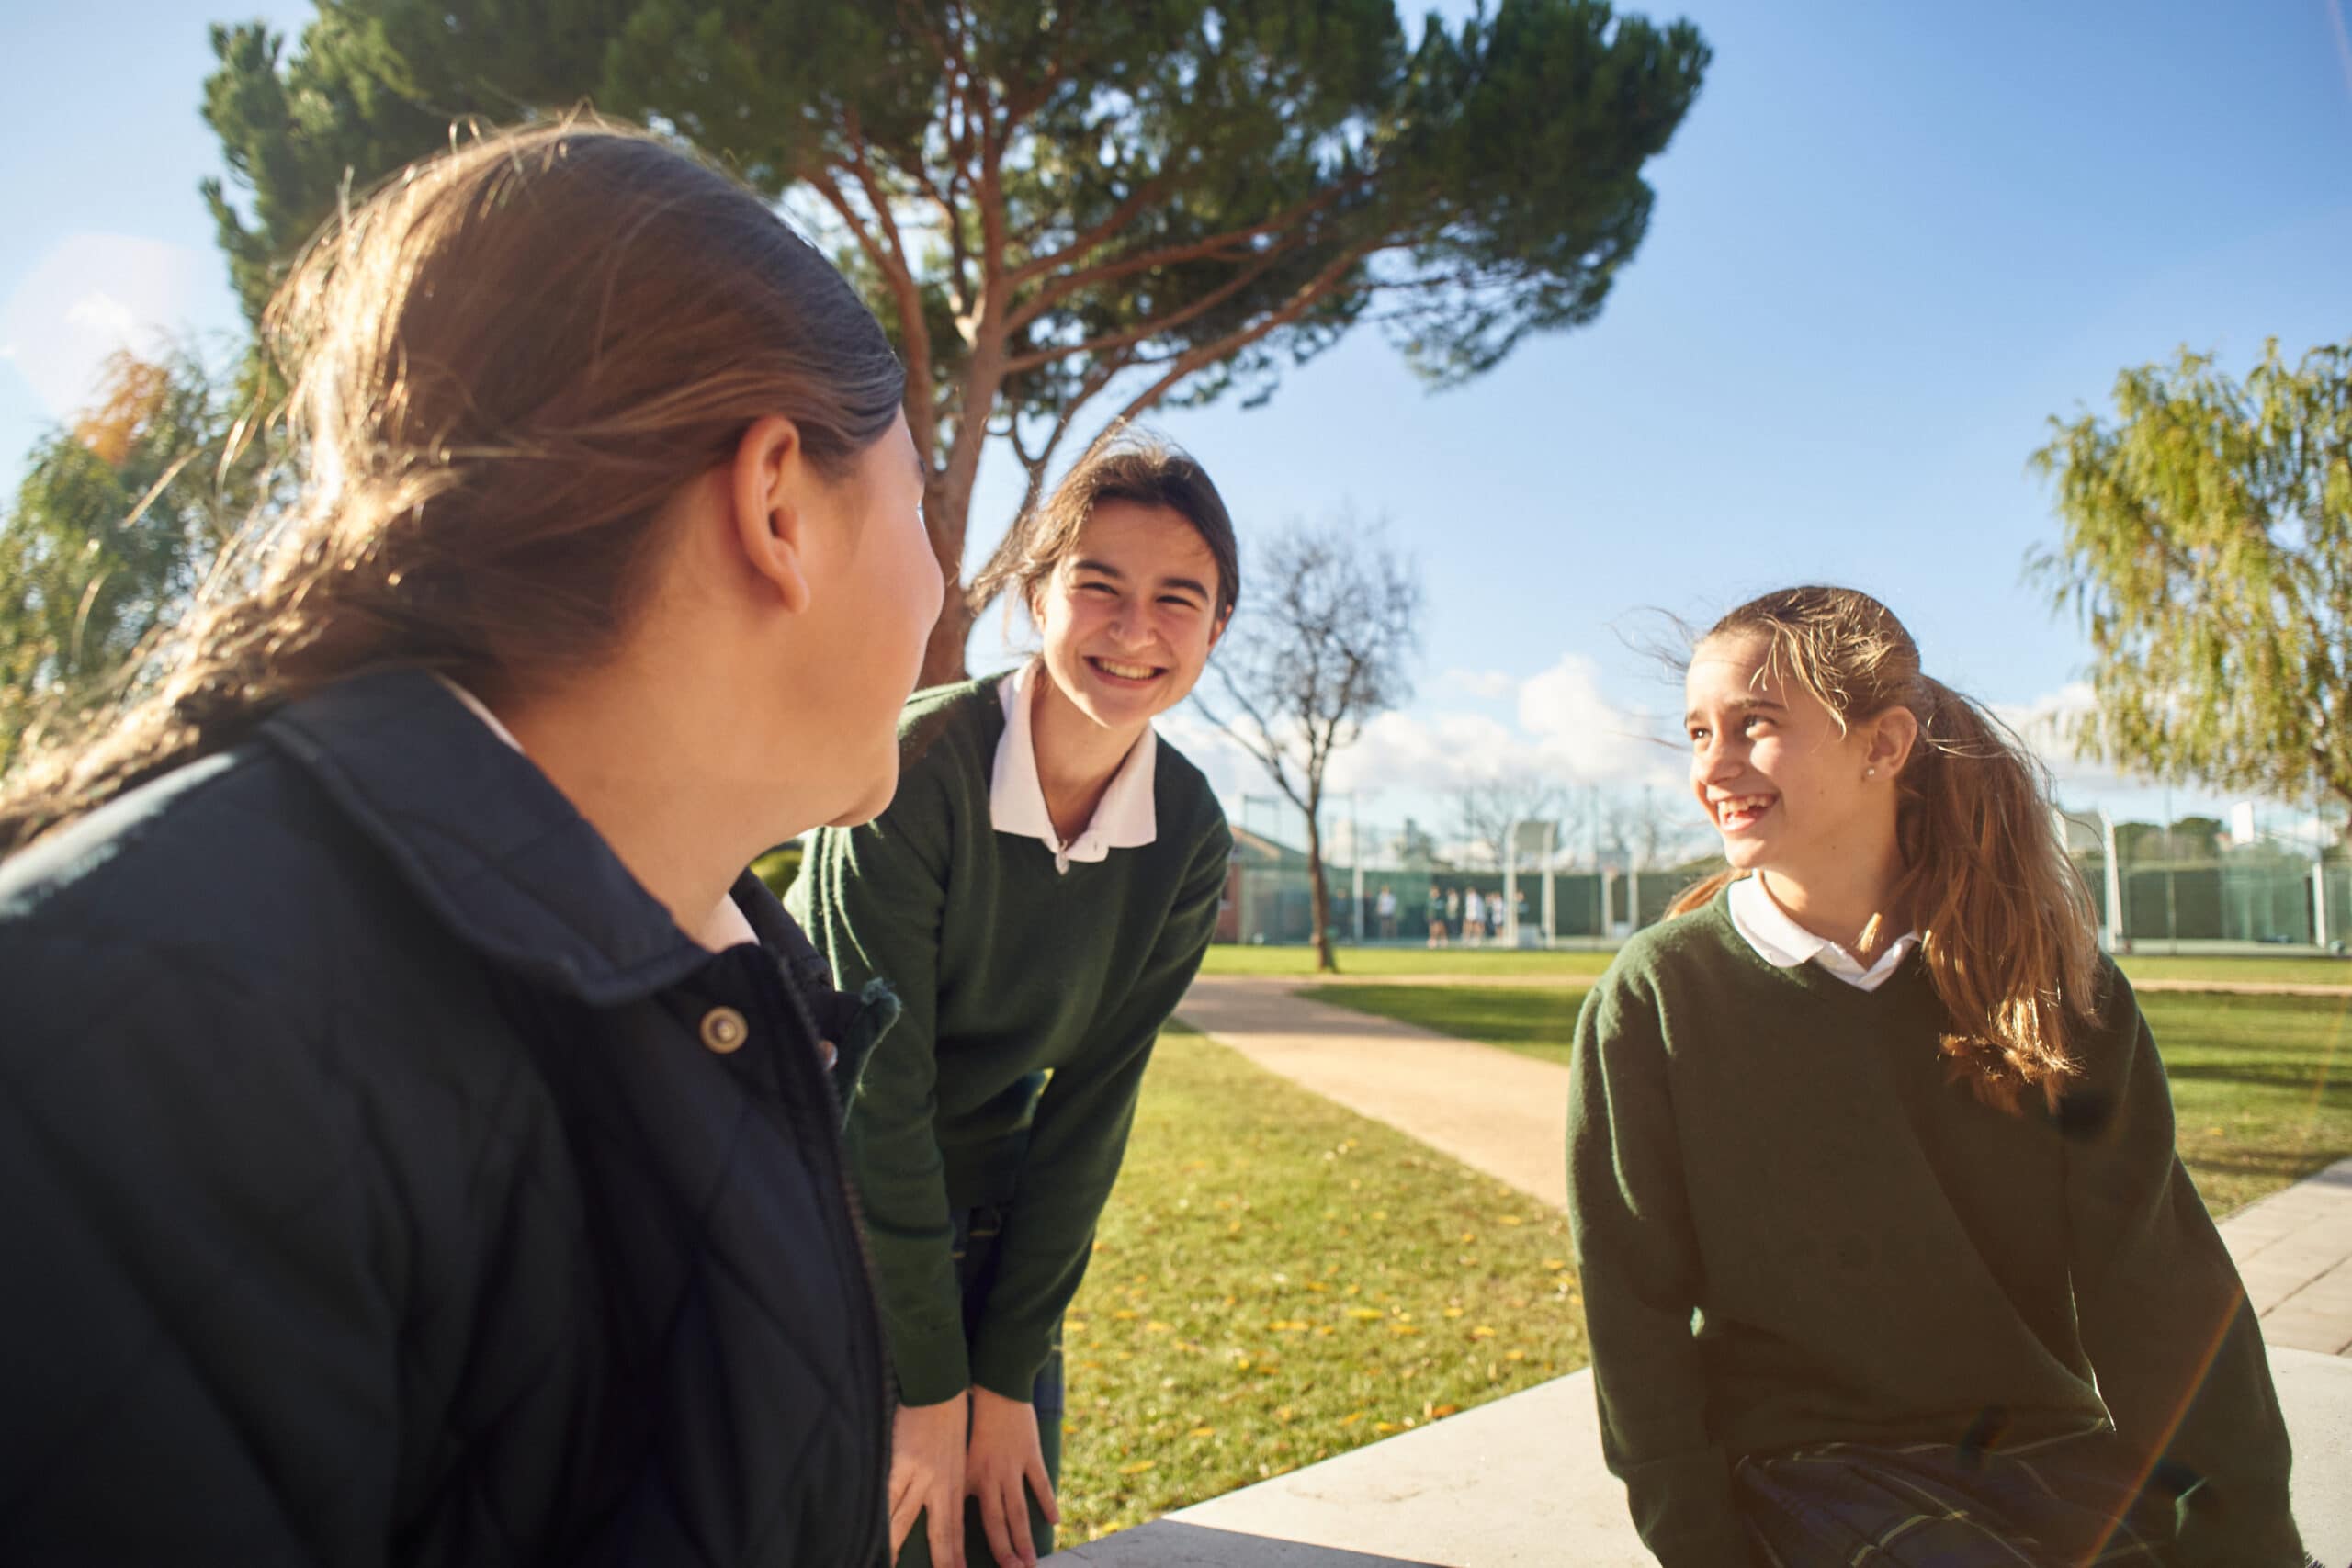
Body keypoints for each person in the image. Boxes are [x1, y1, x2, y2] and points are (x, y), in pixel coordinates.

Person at [0, 120, 938, 1566]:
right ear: (775, 505)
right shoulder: (133, 1036)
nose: (942, 584)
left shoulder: (722, 966)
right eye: (922, 502)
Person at [1566, 586, 2311, 1566]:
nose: (1713, 766)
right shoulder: (1656, 997)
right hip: (1803, 1467)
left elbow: (2158, 1287)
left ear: (1883, 747)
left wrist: (2253, 1541)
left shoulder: (2056, 990)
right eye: (1699, 731)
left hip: (2044, 1451)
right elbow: (1635, 1315)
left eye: (1754, 726)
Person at [791, 430, 1238, 1568]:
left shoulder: (1186, 833)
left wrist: (1002, 1374)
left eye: (1178, 600)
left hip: (992, 1235)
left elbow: (1094, 1107)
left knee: (999, 1532)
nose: (1137, 630)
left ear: (1216, 631)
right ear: (1034, 597)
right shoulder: (907, 768)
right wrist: (933, 1385)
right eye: (1099, 587)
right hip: (822, 1220)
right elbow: (871, 1100)